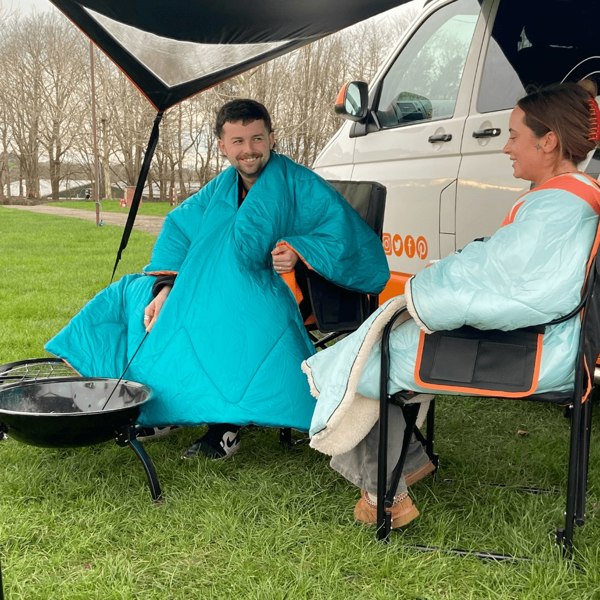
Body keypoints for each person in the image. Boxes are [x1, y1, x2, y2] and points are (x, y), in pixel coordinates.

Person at [302, 81, 600, 529]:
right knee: (376, 343)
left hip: (534, 353)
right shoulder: (576, 195)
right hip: (552, 343)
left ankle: (384, 492)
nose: (506, 148)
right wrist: (445, 279)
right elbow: (500, 271)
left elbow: (516, 292)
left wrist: (426, 293)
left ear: (549, 140)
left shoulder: (558, 207)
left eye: (515, 135)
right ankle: (409, 460)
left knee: (362, 362)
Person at [46, 99, 389, 460]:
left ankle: (226, 426)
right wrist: (165, 287)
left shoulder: (299, 184)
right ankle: (164, 407)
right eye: (238, 141)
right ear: (222, 146)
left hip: (270, 292)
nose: (249, 150)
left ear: (271, 138)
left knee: (222, 316)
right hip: (206, 284)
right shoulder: (221, 187)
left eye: (257, 139)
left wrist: (300, 252)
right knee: (132, 295)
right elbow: (179, 228)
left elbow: (348, 239)